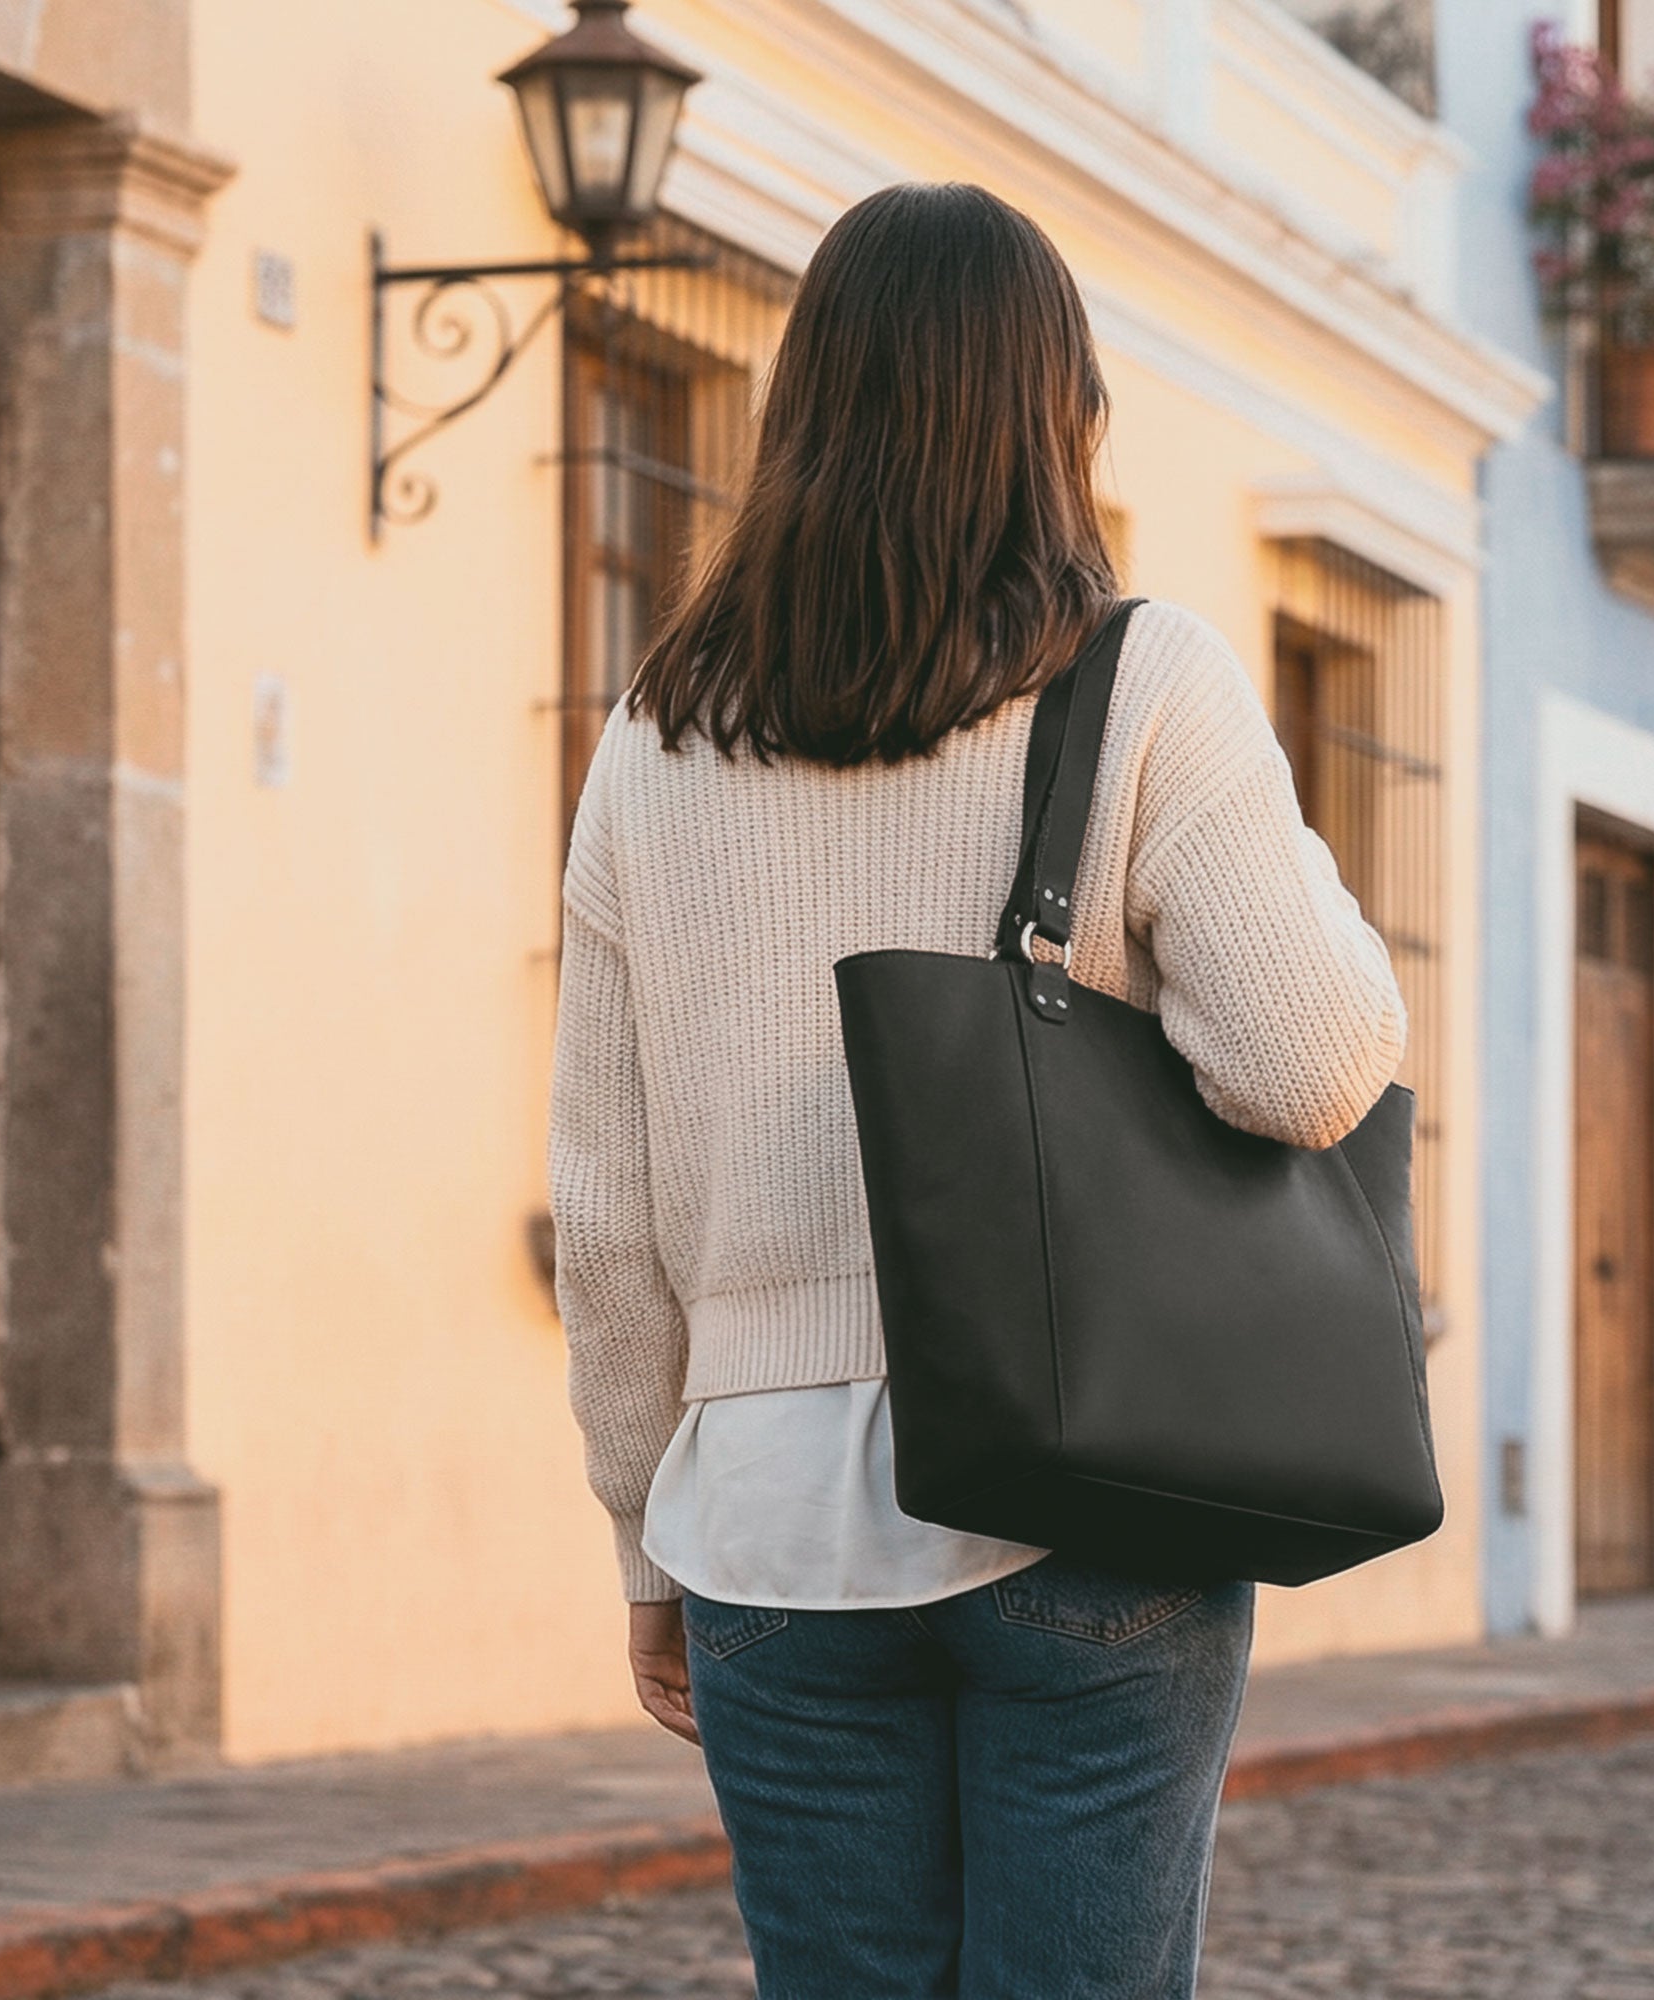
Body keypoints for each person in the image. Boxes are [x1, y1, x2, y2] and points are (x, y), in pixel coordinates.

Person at [547, 179, 1407, 2000]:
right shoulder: (1139, 674)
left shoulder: (651, 736)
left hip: (765, 1521)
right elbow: (1314, 1063)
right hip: (1084, 1485)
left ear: (800, 407)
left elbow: (607, 1216)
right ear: (1056, 412)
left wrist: (644, 1533)